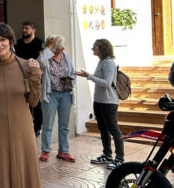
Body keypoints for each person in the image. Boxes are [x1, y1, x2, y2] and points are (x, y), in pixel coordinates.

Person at [0, 23, 42, 188]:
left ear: (10, 41)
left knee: (23, 167)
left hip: (22, 127)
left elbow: (33, 101)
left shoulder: (26, 66)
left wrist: (36, 76)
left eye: (3, 40)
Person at [76, 39, 124, 170]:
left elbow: (107, 83)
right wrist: (84, 75)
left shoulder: (109, 63)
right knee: (103, 129)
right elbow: (97, 78)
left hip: (109, 102)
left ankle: (119, 158)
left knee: (114, 130)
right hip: (99, 101)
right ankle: (107, 155)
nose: (93, 48)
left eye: (95, 46)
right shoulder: (101, 61)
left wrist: (89, 76)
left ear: (102, 48)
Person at [37, 35, 76, 163]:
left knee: (64, 126)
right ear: (52, 47)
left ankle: (63, 151)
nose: (62, 48)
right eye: (59, 46)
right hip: (51, 94)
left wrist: (69, 82)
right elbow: (39, 62)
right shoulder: (46, 58)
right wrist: (48, 47)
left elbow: (71, 72)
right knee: (48, 125)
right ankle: (45, 151)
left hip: (65, 94)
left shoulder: (66, 56)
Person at [14, 21, 44, 135]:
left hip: (34, 77)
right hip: (20, 76)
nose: (24, 30)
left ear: (33, 30)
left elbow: (42, 60)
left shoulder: (39, 43)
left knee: (35, 101)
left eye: (27, 28)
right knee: (22, 100)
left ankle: (37, 127)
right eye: (23, 28)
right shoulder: (18, 43)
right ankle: (24, 124)